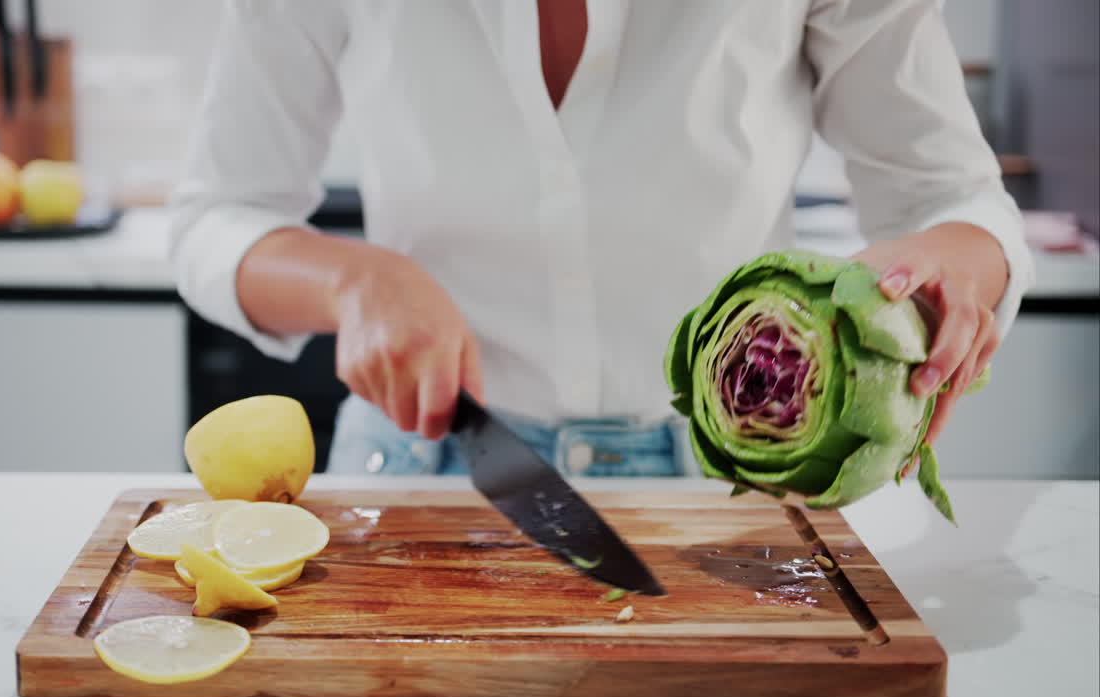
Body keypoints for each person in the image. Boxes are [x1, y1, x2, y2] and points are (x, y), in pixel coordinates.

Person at [170, 1, 1033, 477]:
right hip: (420, 468)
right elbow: (215, 214)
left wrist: (955, 260)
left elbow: (951, 196)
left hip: (736, 484)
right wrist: (351, 280)